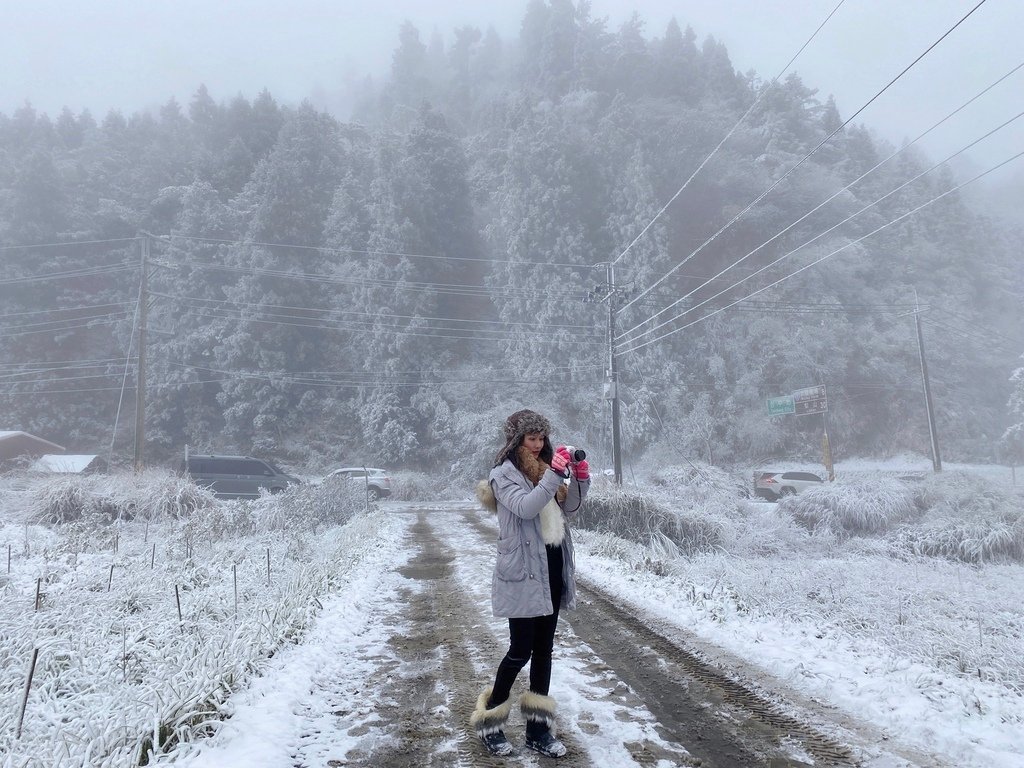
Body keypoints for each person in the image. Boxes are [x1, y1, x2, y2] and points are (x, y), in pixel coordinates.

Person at [471, 409, 591, 758]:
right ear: (516, 440)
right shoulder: (503, 475)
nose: (538, 445)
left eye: (542, 438)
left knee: (543, 652)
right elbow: (525, 507)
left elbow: (571, 508)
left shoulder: (545, 470)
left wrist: (580, 477)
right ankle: (490, 723)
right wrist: (555, 473)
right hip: (522, 572)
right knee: (520, 651)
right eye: (531, 438)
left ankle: (538, 730)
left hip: (551, 567)